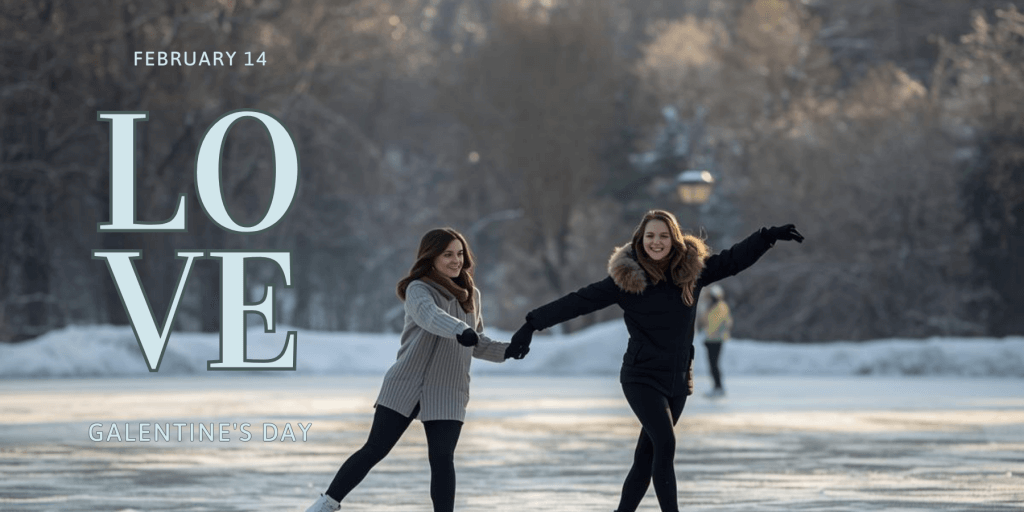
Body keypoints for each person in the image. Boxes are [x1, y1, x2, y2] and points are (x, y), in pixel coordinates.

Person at [504, 210, 803, 512]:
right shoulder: (626, 281)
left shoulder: (692, 272)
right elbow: (578, 302)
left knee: (646, 458)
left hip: (677, 381)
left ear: (674, 240)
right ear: (639, 240)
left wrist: (766, 237)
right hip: (641, 377)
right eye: (650, 236)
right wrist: (531, 324)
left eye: (663, 236)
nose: (656, 242)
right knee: (666, 443)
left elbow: (733, 260)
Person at [305, 228, 524, 512]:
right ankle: (326, 504)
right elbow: (431, 317)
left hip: (448, 387)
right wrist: (461, 330)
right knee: (375, 449)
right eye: (447, 255)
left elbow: (475, 341)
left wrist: (506, 350)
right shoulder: (418, 289)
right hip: (407, 382)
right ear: (431, 257)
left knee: (443, 458)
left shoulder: (472, 295)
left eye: (459, 254)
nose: (455, 260)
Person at [698, 284, 732, 398]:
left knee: (714, 364)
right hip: (709, 340)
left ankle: (719, 387)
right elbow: (703, 322)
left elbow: (726, 323)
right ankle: (716, 387)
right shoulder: (709, 307)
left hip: (717, 340)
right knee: (712, 365)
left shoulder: (721, 306)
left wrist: (720, 333)